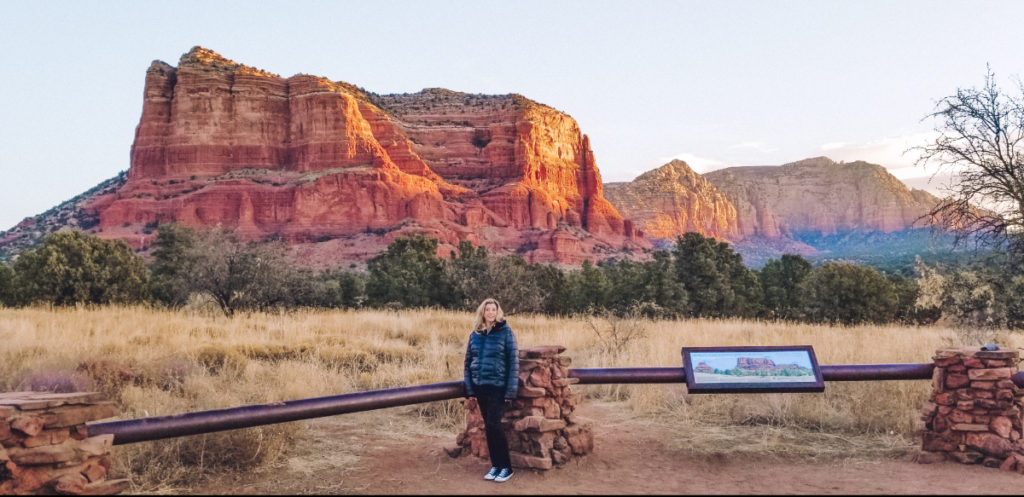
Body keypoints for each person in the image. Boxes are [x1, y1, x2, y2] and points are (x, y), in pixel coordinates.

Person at [463, 297, 519, 483]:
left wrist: (510, 391)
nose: (490, 313)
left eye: (493, 309)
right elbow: (468, 363)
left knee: (495, 426)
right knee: (489, 427)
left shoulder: (505, 332)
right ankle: (496, 466)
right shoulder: (475, 335)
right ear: (483, 312)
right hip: (480, 387)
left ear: (497, 312)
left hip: (497, 387)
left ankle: (507, 467)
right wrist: (470, 389)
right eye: (487, 310)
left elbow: (513, 362)